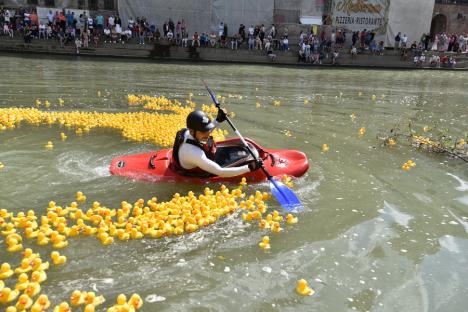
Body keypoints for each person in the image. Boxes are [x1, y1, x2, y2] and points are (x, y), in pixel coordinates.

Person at [170, 110, 261, 178]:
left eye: (207, 130)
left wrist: (218, 120)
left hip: (190, 160)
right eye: (203, 132)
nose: (208, 134)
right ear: (191, 131)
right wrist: (249, 168)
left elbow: (204, 129)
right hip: (195, 170)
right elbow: (220, 172)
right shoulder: (194, 153)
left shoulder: (187, 132)